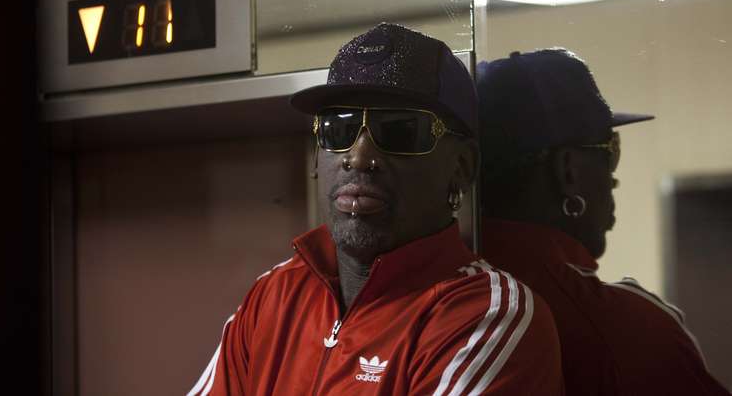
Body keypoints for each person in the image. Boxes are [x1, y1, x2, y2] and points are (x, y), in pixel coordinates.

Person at [188, 24, 564, 395]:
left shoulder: (488, 315)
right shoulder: (275, 296)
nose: (359, 155)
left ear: (461, 167)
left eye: (401, 130)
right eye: (338, 129)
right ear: (318, 157)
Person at [476, 48, 729, 395]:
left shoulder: (439, 292)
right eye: (610, 150)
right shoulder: (628, 328)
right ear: (568, 171)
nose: (614, 179)